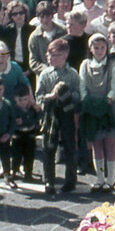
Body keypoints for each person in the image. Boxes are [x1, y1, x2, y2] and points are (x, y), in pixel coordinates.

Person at [35, 37, 80, 196]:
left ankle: (70, 180)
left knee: (69, 146)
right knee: (49, 146)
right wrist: (50, 98)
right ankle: (49, 180)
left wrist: (64, 95)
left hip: (67, 112)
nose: (50, 58)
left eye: (54, 55)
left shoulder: (72, 74)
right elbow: (39, 96)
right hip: (50, 113)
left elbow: (77, 95)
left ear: (65, 55)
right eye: (48, 55)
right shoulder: (45, 74)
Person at [79, 33, 115, 192]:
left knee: (110, 145)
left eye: (102, 47)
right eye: (95, 48)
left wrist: (108, 99)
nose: (99, 51)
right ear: (90, 49)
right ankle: (100, 179)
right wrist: (88, 101)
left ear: (107, 48)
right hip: (92, 109)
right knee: (97, 145)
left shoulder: (113, 64)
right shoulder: (85, 64)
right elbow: (82, 85)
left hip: (109, 108)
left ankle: (111, 180)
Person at [11, 84, 39, 182]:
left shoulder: (32, 109)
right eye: (20, 100)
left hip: (30, 134)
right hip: (18, 135)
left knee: (29, 155)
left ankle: (28, 173)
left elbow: (37, 118)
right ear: (15, 99)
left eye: (25, 99)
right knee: (16, 155)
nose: (23, 102)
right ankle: (13, 172)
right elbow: (11, 122)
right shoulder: (14, 110)